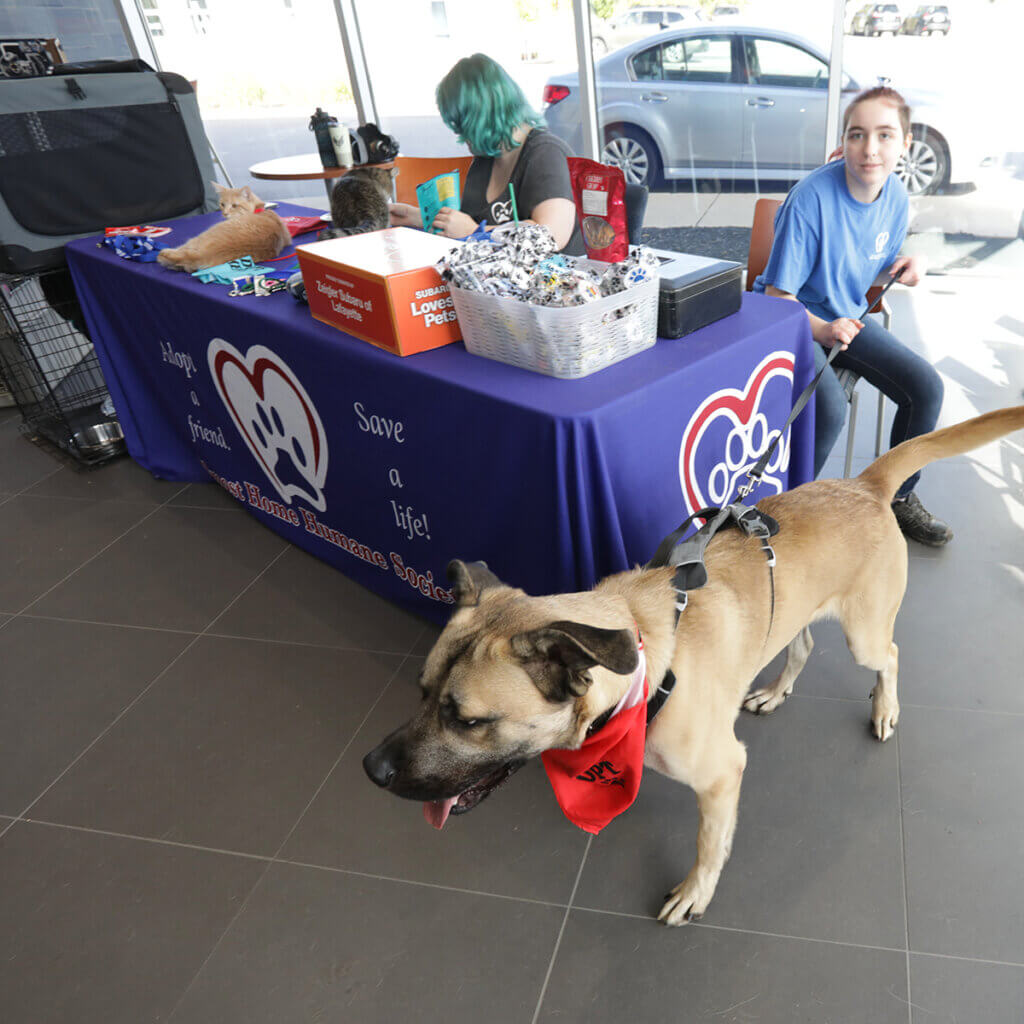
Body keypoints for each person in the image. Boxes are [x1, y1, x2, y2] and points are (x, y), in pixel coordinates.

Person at [752, 85, 950, 546]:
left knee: (925, 389)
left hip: (844, 321)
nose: (870, 149)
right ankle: (783, 522)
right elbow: (779, 298)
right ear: (844, 140)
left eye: (885, 135)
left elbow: (866, 259)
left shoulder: (896, 196)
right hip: (789, 323)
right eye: (858, 135)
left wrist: (906, 262)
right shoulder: (810, 199)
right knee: (831, 408)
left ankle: (897, 499)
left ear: (905, 143)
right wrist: (823, 329)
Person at [389, 53, 583, 254]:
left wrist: (476, 232)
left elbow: (551, 235)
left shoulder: (546, 154)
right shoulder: (486, 160)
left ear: (481, 117)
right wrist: (420, 218)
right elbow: (467, 222)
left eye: (462, 126)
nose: (460, 136)